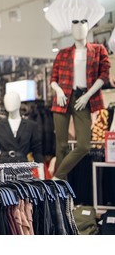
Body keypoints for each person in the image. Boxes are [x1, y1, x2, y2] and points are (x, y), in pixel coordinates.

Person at [50, 18, 110, 180]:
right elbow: (53, 79)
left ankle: (58, 176)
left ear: (87, 28)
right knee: (61, 146)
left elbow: (104, 75)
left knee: (84, 145)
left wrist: (88, 95)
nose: (79, 29)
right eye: (75, 26)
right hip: (63, 98)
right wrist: (59, 91)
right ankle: (60, 187)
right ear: (71, 30)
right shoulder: (63, 53)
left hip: (83, 98)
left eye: (82, 26)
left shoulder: (98, 50)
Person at [0, 92, 43, 164]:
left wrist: (41, 171)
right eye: (7, 100)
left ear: (19, 103)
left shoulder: (31, 126)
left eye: (14, 100)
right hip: (3, 167)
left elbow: (37, 151)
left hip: (22, 166)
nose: (10, 103)